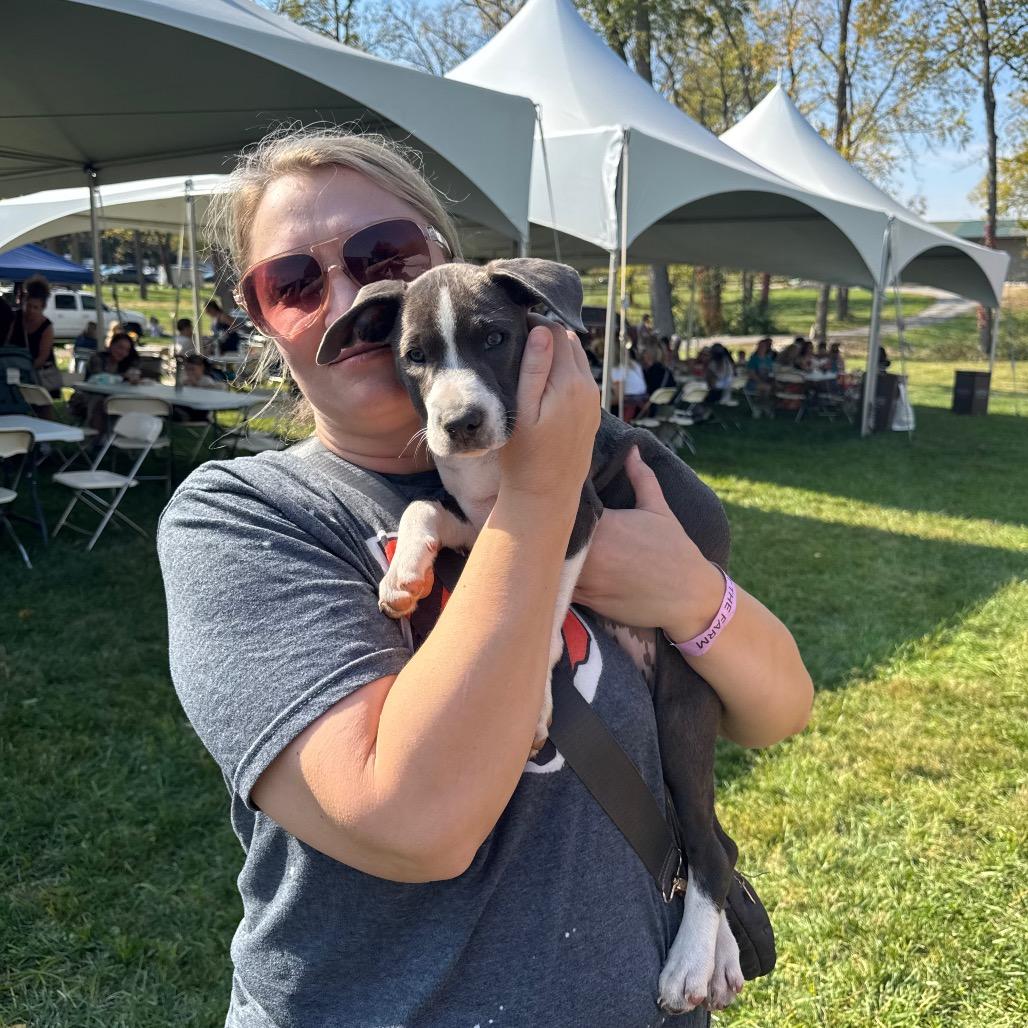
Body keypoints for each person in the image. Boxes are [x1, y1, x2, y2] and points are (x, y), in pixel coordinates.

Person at [157, 127, 812, 1028]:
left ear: (443, 264)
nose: (351, 296)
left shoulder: (612, 471)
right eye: (293, 282)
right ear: (262, 316)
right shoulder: (245, 516)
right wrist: (543, 487)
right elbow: (415, 826)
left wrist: (691, 595)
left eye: (384, 254)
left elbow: (778, 712)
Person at [68, 331, 142, 431]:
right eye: (120, 347)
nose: (123, 352)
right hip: (87, 398)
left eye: (127, 350)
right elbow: (98, 379)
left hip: (115, 398)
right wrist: (123, 377)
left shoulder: (125, 363)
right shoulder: (98, 358)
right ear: (111, 345)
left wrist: (134, 377)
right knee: (101, 403)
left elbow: (134, 374)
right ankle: (96, 436)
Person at [10, 275, 61, 406]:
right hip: (15, 369)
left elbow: (43, 357)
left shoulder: (46, 327)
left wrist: (26, 371)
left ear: (43, 307)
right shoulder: (14, 318)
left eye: (36, 307)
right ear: (24, 303)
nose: (31, 311)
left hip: (40, 374)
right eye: (29, 306)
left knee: (42, 407)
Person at [172, 353, 227, 422]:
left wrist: (196, 385)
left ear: (201, 368)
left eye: (192, 369)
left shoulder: (206, 380)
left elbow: (221, 387)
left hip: (201, 411)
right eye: (187, 369)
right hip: (187, 406)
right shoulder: (186, 379)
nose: (189, 372)